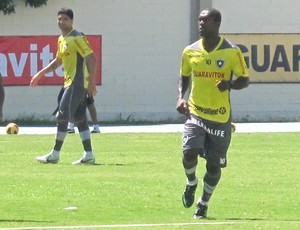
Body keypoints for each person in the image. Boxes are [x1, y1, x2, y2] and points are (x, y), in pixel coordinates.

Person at [176, 8, 249, 219]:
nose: (200, 24)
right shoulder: (189, 51)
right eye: (199, 20)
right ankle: (191, 183)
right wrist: (181, 97)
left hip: (220, 118)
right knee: (189, 152)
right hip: (195, 113)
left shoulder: (231, 52)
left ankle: (203, 202)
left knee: (214, 166)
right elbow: (184, 76)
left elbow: (244, 79)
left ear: (217, 23)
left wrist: (230, 84)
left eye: (204, 21)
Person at [30, 8, 97, 165]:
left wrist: (92, 80)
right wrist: (40, 73)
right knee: (79, 118)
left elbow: (91, 57)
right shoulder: (61, 39)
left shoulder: (76, 37)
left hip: (77, 83)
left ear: (72, 21)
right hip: (70, 82)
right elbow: (58, 61)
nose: (61, 22)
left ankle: (55, 154)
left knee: (62, 116)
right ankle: (89, 155)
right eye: (59, 19)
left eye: (65, 19)